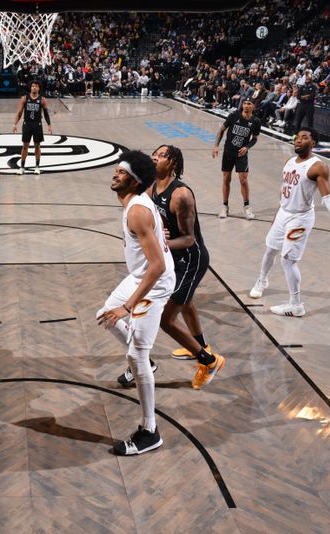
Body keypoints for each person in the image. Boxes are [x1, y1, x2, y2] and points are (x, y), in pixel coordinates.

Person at [117, 145, 225, 390]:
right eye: (154, 153)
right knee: (185, 303)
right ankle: (200, 346)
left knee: (164, 318)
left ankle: (208, 361)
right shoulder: (151, 187)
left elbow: (189, 239)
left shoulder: (181, 195)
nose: (155, 157)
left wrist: (161, 241)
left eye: (162, 155)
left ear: (173, 163)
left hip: (190, 259)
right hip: (169, 259)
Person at [96, 150, 174, 455]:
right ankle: (148, 364)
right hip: (142, 275)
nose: (115, 174)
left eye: (122, 172)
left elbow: (158, 267)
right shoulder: (137, 204)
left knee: (135, 355)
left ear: (136, 180)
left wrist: (127, 307)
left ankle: (149, 431)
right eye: (116, 170)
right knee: (105, 314)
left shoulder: (137, 211)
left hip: (155, 284)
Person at [249, 128, 330, 316]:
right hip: (283, 214)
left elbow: (328, 196)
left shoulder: (317, 166)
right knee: (270, 249)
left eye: (304, 138)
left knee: (288, 260)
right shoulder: (289, 162)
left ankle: (296, 306)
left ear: (313, 143)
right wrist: (277, 215)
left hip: (300, 218)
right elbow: (285, 192)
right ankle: (262, 281)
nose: (298, 140)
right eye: (297, 137)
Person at [212, 98, 261, 220]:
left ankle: (247, 207)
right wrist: (216, 146)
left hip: (241, 154)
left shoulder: (256, 121)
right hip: (228, 152)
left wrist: (247, 147)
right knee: (226, 179)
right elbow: (221, 130)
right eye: (244, 103)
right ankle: (225, 206)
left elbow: (255, 138)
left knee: (243, 180)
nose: (246, 105)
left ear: (253, 107)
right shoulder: (234, 115)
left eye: (249, 104)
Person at [12, 80, 53, 175]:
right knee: (25, 146)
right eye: (33, 86)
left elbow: (46, 114)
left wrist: (49, 125)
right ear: (30, 87)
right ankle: (22, 167)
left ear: (39, 88)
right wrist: (15, 124)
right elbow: (19, 113)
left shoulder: (42, 99)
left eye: (36, 86)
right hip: (27, 124)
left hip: (37, 124)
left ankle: (37, 167)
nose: (34, 87)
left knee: (37, 146)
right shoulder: (24, 98)